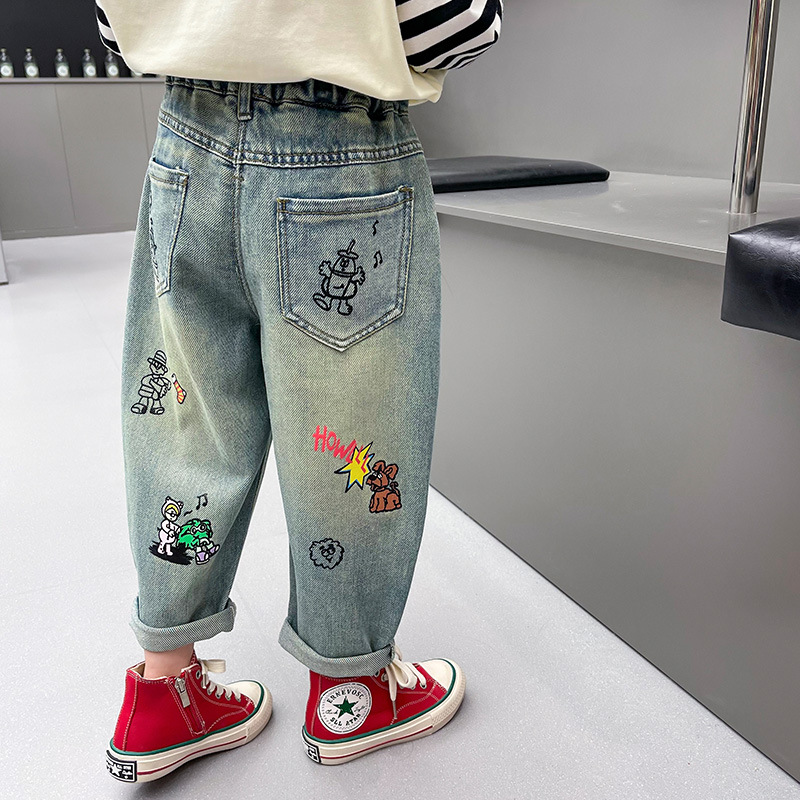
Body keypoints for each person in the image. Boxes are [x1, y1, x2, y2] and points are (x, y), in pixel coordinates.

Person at [96, 0, 503, 783]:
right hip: (341, 151)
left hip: (187, 143)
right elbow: (457, 21)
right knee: (349, 437)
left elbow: (115, 23)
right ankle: (351, 688)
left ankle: (164, 687)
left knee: (188, 421)